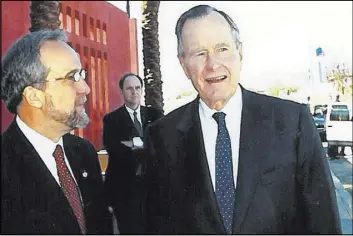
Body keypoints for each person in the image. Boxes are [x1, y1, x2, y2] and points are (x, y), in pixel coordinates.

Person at [143, 5, 342, 234]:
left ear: (240, 52)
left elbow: (324, 224)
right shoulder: (161, 138)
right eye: (199, 53)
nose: (212, 64)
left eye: (222, 48)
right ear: (184, 65)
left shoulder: (292, 123)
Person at [1, 30, 113, 234]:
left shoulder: (84, 152)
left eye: (82, 75)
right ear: (34, 96)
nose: (85, 88)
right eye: (72, 77)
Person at [103, 73, 163, 234]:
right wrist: (146, 146)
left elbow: (161, 147)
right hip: (125, 190)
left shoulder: (155, 115)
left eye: (137, 88)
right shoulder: (111, 120)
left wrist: (134, 144)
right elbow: (115, 150)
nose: (134, 92)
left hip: (152, 189)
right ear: (121, 92)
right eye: (129, 88)